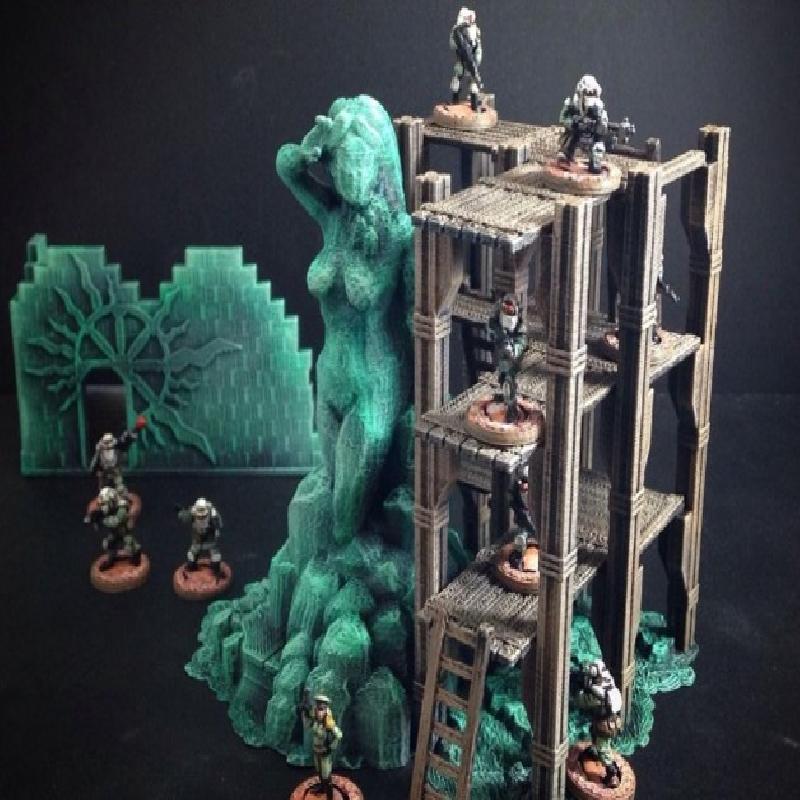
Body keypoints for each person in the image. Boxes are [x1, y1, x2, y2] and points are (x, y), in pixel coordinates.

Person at [572, 659, 624, 788]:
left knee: (603, 749)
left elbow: (580, 701)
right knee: (596, 738)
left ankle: (612, 773)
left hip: (604, 725)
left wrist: (579, 690)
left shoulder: (599, 694)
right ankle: (594, 752)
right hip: (609, 721)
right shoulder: (609, 685)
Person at [85, 486, 142, 571]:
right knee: (109, 544)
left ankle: (136, 557)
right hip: (115, 533)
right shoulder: (108, 506)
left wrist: (102, 520)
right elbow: (102, 512)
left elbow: (116, 522)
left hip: (123, 531)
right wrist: (96, 517)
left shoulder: (122, 508)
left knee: (130, 544)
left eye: (106, 503)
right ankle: (111, 559)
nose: (105, 505)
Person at [300, 692, 343, 800]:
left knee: (326, 775)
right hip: (316, 750)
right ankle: (322, 788)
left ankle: (330, 796)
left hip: (325, 753)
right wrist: (304, 712)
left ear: (325, 710)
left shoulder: (329, 724)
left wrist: (330, 748)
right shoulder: (315, 721)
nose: (319, 712)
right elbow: (306, 726)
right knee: (318, 771)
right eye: (318, 708)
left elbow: (339, 735)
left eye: (321, 709)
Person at [177, 497, 223, 579]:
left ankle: (216, 569)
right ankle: (191, 566)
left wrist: (215, 527)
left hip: (209, 539)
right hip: (198, 539)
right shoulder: (193, 512)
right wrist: (181, 512)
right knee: (193, 553)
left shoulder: (212, 512)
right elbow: (185, 517)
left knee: (215, 554)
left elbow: (218, 523)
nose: (201, 517)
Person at [449, 7, 482, 111]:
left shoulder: (475, 30)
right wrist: (460, 46)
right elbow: (452, 44)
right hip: (461, 59)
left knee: (473, 82)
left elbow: (478, 47)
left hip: (471, 60)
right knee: (456, 80)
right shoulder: (456, 30)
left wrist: (476, 60)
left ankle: (474, 105)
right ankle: (455, 101)